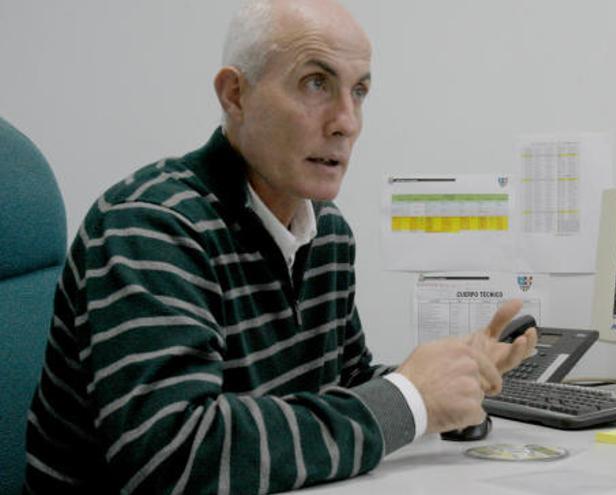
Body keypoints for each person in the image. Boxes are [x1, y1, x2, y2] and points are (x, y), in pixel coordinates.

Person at [23, 0, 537, 493]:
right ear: (235, 95)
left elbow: (346, 384)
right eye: (316, 83)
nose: (347, 122)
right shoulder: (151, 225)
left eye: (359, 91)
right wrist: (409, 401)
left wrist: (451, 382)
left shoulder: (328, 234)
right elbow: (174, 458)